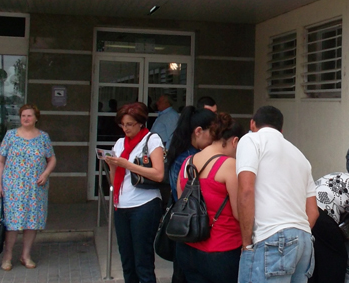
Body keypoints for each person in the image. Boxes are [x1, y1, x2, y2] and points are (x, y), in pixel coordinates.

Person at [236, 105, 318, 283]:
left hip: (271, 237)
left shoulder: (252, 140)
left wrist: (246, 242)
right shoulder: (300, 156)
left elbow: (246, 190)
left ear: (252, 124)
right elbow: (313, 212)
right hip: (303, 240)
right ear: (281, 129)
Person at [175, 112, 247, 283]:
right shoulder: (229, 165)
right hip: (222, 249)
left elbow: (180, 202)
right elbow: (239, 213)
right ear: (235, 141)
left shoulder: (187, 162)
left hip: (188, 247)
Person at [105, 102, 166, 283]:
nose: (125, 128)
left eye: (129, 124)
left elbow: (158, 174)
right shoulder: (120, 142)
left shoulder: (151, 139)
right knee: (127, 260)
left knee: (143, 260)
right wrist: (112, 166)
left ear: (140, 123)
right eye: (123, 124)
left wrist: (128, 165)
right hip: (121, 204)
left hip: (144, 205)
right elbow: (114, 179)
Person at [0, 104, 56, 271]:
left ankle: (25, 255)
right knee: (13, 222)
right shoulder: (11, 136)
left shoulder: (43, 137)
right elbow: (0, 161)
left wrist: (46, 173)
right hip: (13, 187)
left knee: (32, 222)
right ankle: (7, 256)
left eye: (29, 116)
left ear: (36, 118)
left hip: (36, 187)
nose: (26, 119)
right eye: (23, 116)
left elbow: (52, 159)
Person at [166, 106, 218, 283]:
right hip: (191, 231)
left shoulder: (183, 154)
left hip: (185, 231)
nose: (216, 139)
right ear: (198, 131)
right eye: (213, 132)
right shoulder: (189, 160)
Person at [309, 172, 349, 283]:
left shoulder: (336, 175)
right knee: (336, 261)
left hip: (305, 213)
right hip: (323, 216)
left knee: (315, 263)